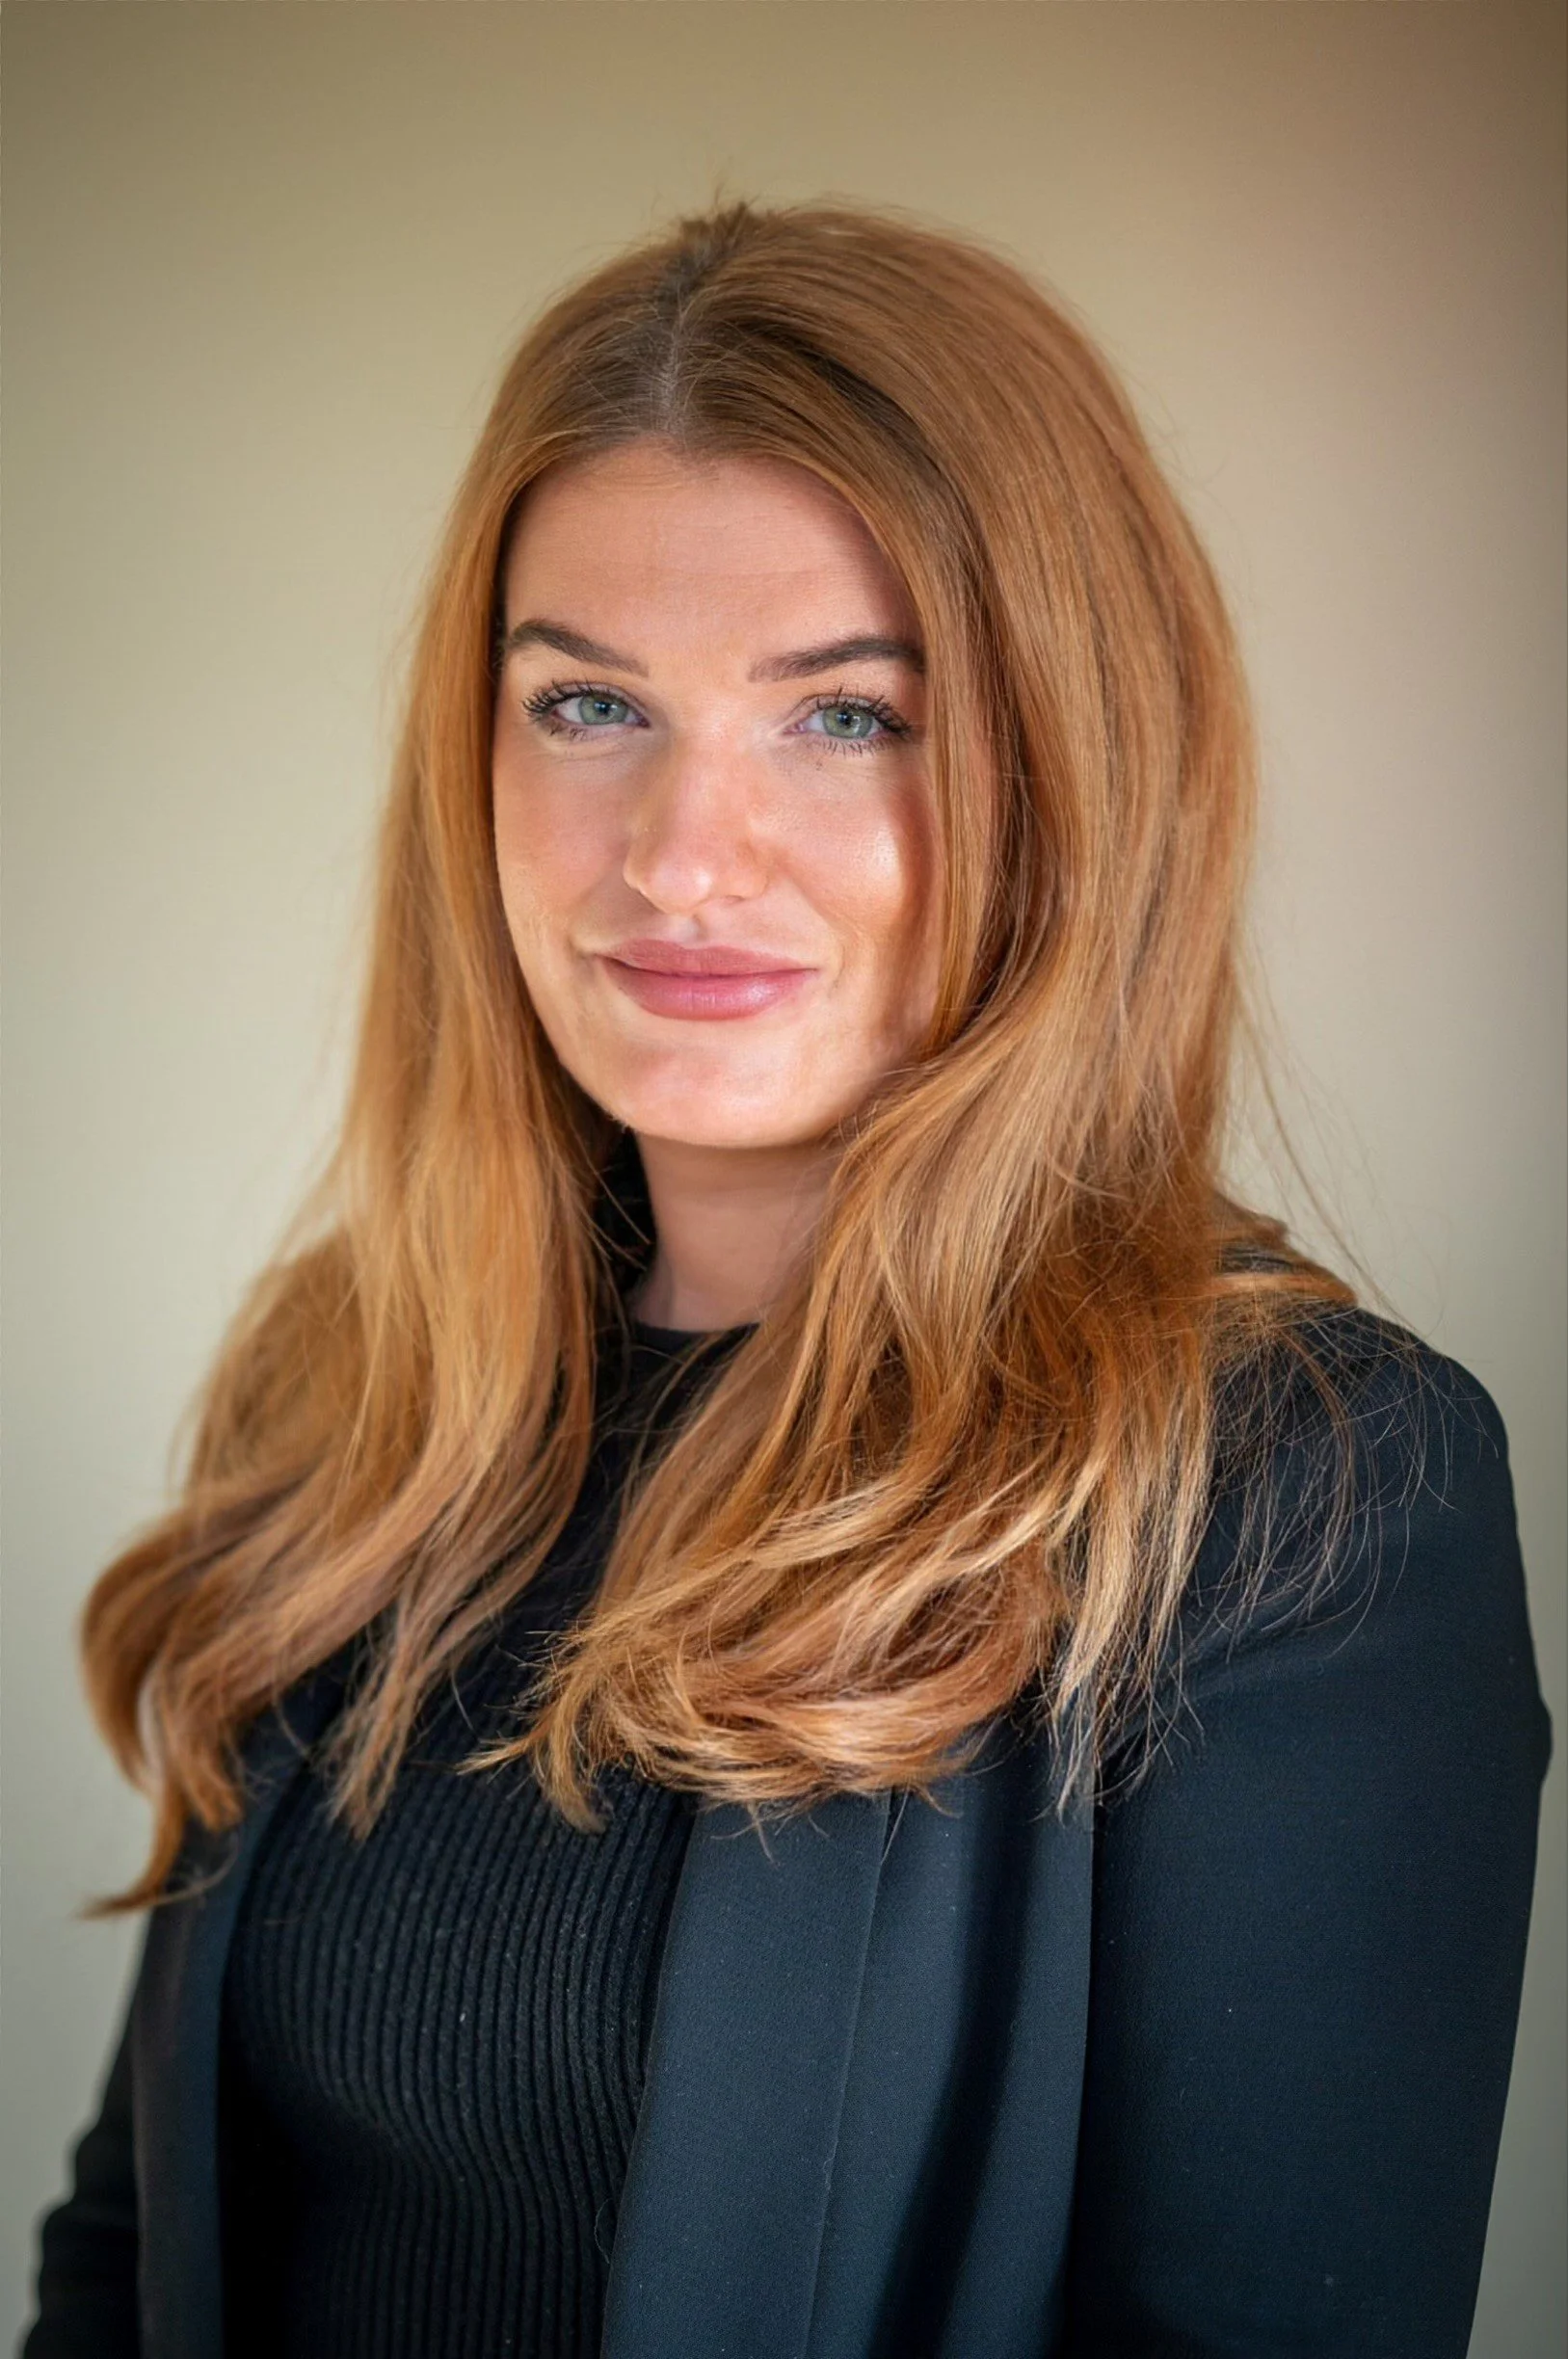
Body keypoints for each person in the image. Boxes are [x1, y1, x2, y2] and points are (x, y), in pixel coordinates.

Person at [21, 197, 1550, 2359]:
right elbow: (130, 2256)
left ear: (1076, 774)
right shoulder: (359, 1392)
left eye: (845, 720)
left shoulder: (1302, 1493)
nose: (676, 854)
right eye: (586, 704)